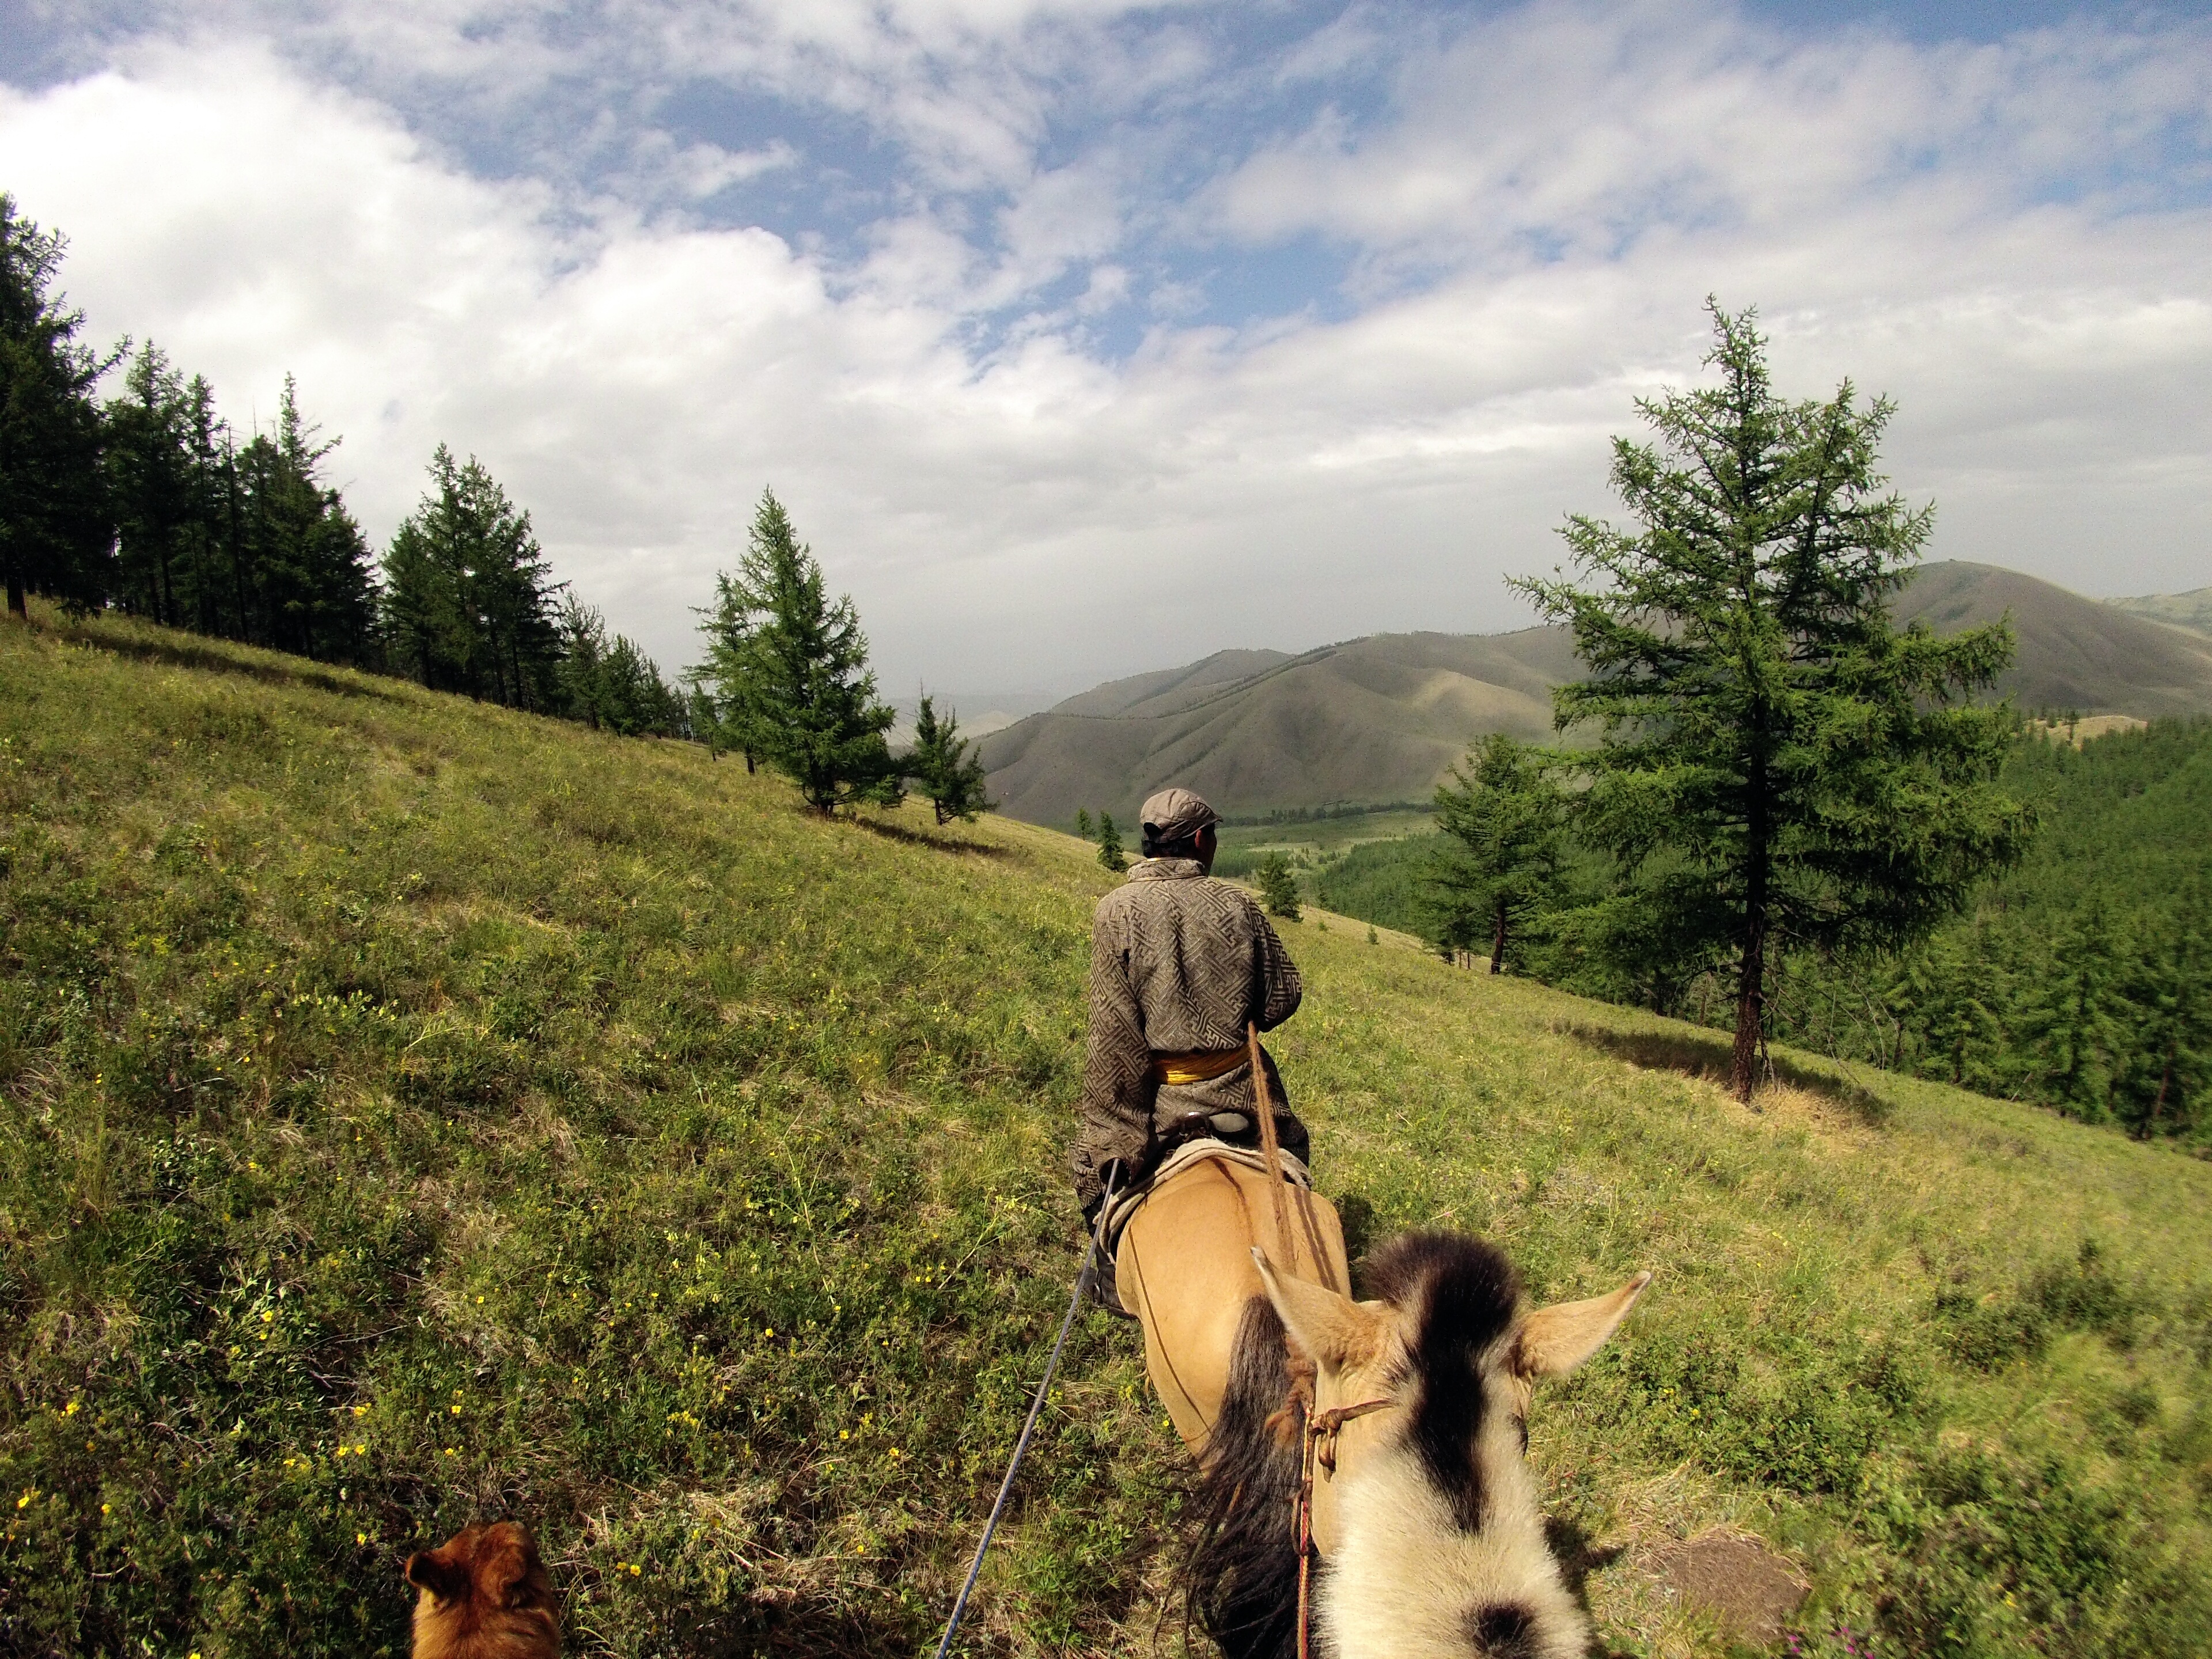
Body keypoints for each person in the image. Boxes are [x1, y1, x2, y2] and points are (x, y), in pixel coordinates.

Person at [1071, 786, 1308, 1232]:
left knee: (1090, 1171)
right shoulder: (1237, 903)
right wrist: (1233, 1018)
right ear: (1200, 841)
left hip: (1163, 1102)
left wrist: (1117, 1137)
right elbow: (1283, 995)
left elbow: (1114, 1036)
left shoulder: (1115, 911)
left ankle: (1108, 1275)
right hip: (1242, 1090)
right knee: (1293, 1148)